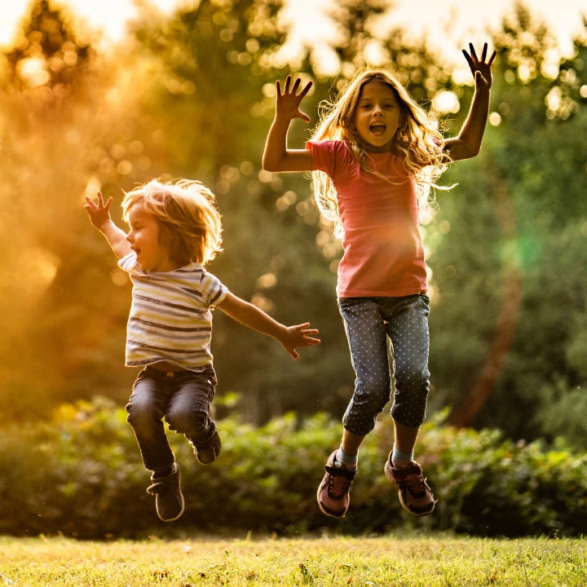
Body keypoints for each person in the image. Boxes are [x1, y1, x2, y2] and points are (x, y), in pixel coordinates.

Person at [262, 44, 495, 518]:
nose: (377, 111)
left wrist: (481, 93)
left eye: (388, 105)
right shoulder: (339, 155)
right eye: (367, 104)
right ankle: (342, 465)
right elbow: (273, 161)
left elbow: (468, 146)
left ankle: (402, 462)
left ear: (400, 116)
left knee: (414, 379)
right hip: (360, 296)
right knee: (371, 387)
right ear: (352, 117)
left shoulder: (410, 155)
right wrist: (283, 117)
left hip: (409, 294)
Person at [84, 179, 320, 522]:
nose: (130, 236)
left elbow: (241, 309)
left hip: (193, 376)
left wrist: (281, 332)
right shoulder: (139, 269)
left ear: (171, 233)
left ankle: (205, 434)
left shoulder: (199, 281)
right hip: (152, 373)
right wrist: (105, 223)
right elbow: (119, 242)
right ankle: (164, 477)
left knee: (183, 415)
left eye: (138, 227)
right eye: (130, 228)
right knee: (140, 411)